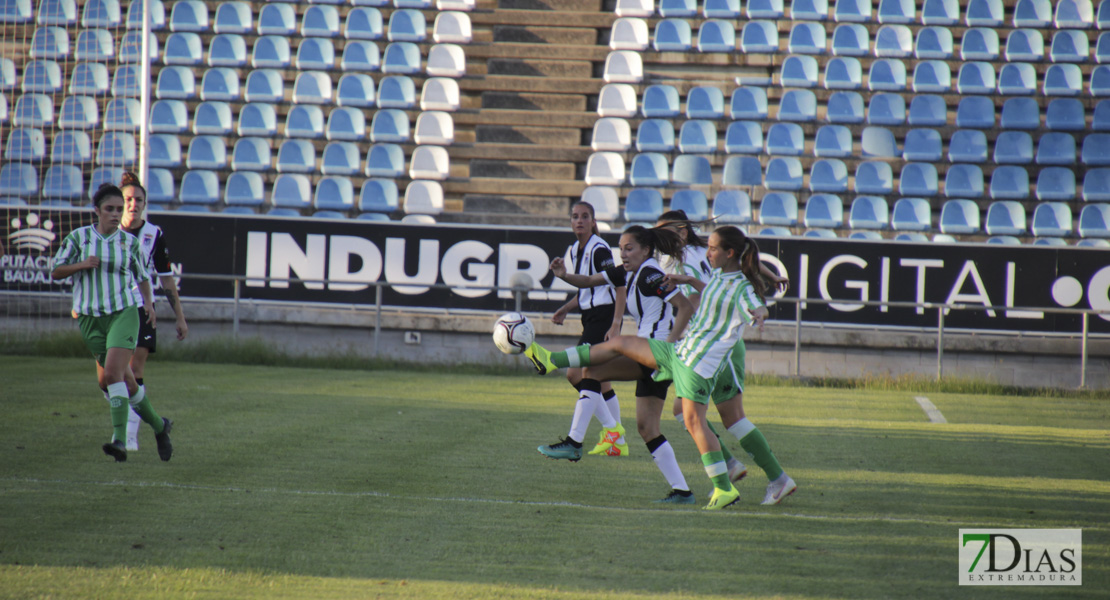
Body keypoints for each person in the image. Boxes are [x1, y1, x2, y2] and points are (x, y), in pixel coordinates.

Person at [526, 226, 794, 510]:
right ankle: (689, 488)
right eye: (621, 247)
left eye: (629, 248)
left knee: (692, 418)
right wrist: (689, 279)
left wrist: (760, 314)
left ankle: (725, 483)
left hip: (690, 360)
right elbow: (715, 291)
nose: (707, 252)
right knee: (648, 408)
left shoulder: (665, 276)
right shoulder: (715, 275)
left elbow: (747, 302)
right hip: (680, 353)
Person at [550, 225, 698, 503]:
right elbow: (588, 281)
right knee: (647, 428)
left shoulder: (650, 275)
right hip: (652, 357)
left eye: (629, 248)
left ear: (645, 250)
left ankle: (574, 441)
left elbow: (686, 307)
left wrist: (668, 344)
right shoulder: (629, 272)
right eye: (621, 249)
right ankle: (683, 491)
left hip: (654, 353)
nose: (624, 254)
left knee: (592, 369)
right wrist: (564, 275)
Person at [51, 183, 173, 462]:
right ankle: (160, 426)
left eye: (119, 209)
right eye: (110, 209)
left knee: (114, 373)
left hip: (123, 313)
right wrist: (82, 264)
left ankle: (119, 440)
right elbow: (56, 271)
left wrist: (149, 306)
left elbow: (142, 276)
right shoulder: (79, 238)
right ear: (97, 211)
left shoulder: (128, 243)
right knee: (124, 384)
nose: (116, 214)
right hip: (91, 319)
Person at [537, 201, 627, 462]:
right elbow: (588, 287)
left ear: (593, 221)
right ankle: (616, 440)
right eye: (575, 216)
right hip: (591, 317)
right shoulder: (574, 249)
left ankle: (579, 440)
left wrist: (616, 323)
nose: (579, 220)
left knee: (578, 373)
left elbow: (617, 283)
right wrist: (566, 308)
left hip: (604, 317)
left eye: (585, 216)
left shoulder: (599, 249)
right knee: (601, 379)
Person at [113, 171, 188, 451]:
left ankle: (129, 437)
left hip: (143, 308)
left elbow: (166, 278)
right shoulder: (106, 232)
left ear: (145, 204)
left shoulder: (153, 234)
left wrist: (179, 316)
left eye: (138, 200)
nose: (133, 204)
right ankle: (155, 423)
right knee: (110, 378)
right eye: (128, 199)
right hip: (111, 307)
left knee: (134, 368)